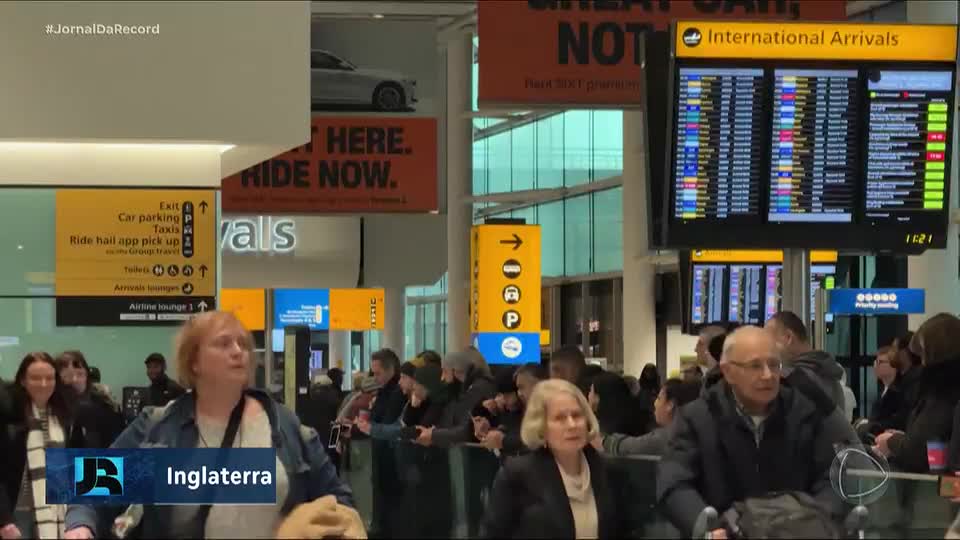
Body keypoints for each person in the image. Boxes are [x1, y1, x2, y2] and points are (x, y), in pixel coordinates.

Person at [64, 311, 358, 539]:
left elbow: (338, 500)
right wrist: (80, 526)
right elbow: (91, 490)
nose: (238, 351)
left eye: (243, 343)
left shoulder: (285, 426)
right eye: (223, 343)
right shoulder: (160, 427)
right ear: (194, 362)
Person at [657, 326, 855, 538]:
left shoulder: (805, 413)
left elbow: (832, 479)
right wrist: (707, 528)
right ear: (728, 371)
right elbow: (674, 483)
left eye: (773, 364)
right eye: (755, 366)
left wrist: (817, 522)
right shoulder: (697, 418)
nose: (768, 375)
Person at [483, 379, 637, 538]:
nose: (572, 425)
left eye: (577, 415)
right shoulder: (516, 476)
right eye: (560, 418)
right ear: (541, 427)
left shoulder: (611, 472)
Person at [0, 352, 85, 540]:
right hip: (17, 512)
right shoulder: (9, 417)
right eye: (36, 378)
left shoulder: (67, 417)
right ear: (23, 381)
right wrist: (4, 519)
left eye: (49, 378)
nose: (44, 384)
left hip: (61, 509)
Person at [875, 313, 960, 473]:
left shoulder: (942, 394)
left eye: (923, 355)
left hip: (939, 490)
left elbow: (921, 451)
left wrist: (894, 442)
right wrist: (906, 440)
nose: (921, 363)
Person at [766, 311, 849, 412]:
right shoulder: (832, 378)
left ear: (788, 338)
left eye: (769, 343)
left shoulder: (791, 382)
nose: (766, 351)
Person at [364, 349, 407, 539]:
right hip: (382, 457)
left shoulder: (397, 392)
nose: (375, 377)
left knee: (393, 508)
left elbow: (388, 422)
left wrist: (370, 427)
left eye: (378, 373)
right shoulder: (384, 391)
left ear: (390, 370)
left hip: (392, 460)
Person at [416, 349, 496, 448]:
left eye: (445, 371)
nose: (442, 378)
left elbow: (465, 430)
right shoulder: (464, 390)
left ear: (457, 370)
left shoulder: (478, 388)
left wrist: (434, 434)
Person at [603, 379, 701, 457]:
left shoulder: (668, 437)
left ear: (670, 405)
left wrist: (599, 438)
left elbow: (626, 445)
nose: (655, 403)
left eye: (659, 398)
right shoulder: (696, 433)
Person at [55, 351, 125, 448]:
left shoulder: (103, 405)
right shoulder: (53, 408)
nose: (75, 380)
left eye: (80, 374)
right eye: (68, 375)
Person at [855, 347, 905, 441]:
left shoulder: (899, 393)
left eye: (880, 362)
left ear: (894, 366)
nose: (875, 365)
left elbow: (895, 422)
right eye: (875, 362)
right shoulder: (883, 391)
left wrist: (868, 425)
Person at [589, 372, 647, 437]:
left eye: (590, 391)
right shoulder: (635, 419)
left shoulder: (602, 434)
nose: (588, 395)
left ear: (598, 398)